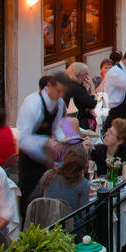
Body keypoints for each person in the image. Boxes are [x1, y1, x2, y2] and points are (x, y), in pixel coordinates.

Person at [15, 72, 69, 216]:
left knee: (47, 195)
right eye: (58, 91)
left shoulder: (59, 103)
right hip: (29, 160)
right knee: (29, 198)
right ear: (49, 85)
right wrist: (45, 143)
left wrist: (63, 141)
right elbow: (23, 139)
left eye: (63, 92)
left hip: (48, 158)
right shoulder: (32, 104)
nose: (61, 96)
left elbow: (56, 128)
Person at [38, 145, 92, 212]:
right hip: (70, 221)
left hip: (47, 219)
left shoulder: (49, 174)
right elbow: (84, 214)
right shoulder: (83, 184)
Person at [89, 117, 126, 181]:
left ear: (120, 141)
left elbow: (125, 179)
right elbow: (89, 172)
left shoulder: (124, 153)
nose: (106, 134)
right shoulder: (97, 149)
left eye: (111, 133)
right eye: (108, 130)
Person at [65, 61, 98, 129]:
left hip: (67, 121)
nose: (87, 76)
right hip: (78, 123)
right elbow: (91, 104)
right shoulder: (77, 89)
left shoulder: (67, 84)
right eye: (85, 73)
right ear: (78, 74)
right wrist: (92, 87)